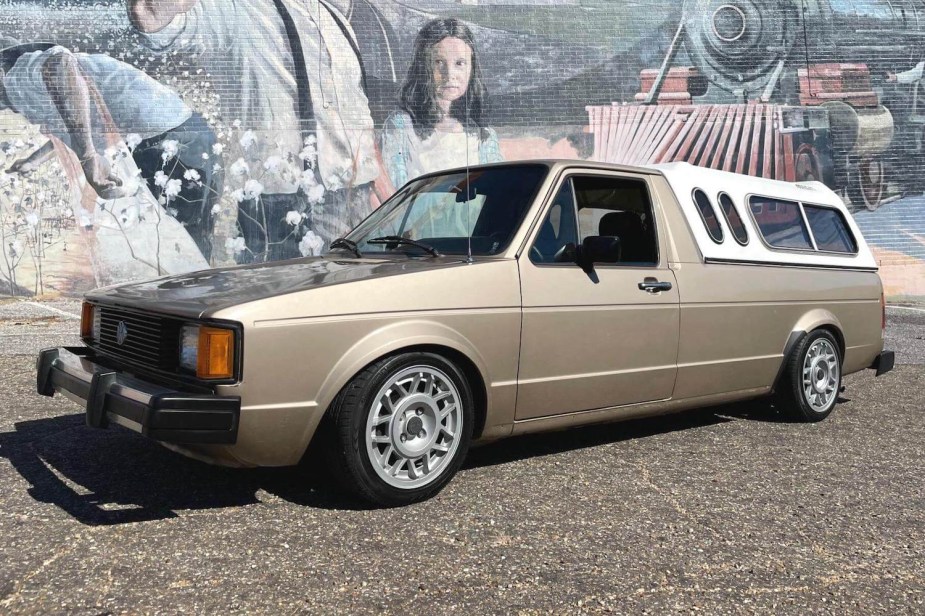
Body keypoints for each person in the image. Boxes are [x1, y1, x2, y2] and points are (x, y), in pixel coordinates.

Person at [127, 0, 379, 261]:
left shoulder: (332, 13)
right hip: (280, 204)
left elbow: (357, 108)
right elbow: (151, 19)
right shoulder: (237, 10)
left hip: (356, 195)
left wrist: (374, 183)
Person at [0, 42, 221, 259]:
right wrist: (34, 160)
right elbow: (71, 123)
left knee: (187, 246)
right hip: (170, 137)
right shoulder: (31, 81)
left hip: (176, 140)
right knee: (185, 243)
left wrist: (88, 156)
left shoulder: (18, 73)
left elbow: (60, 63)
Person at [380, 18, 503, 191]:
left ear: (471, 68)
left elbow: (495, 191)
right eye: (439, 63)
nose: (449, 74)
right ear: (423, 66)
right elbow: (394, 195)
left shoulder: (484, 136)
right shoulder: (400, 126)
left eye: (459, 63)